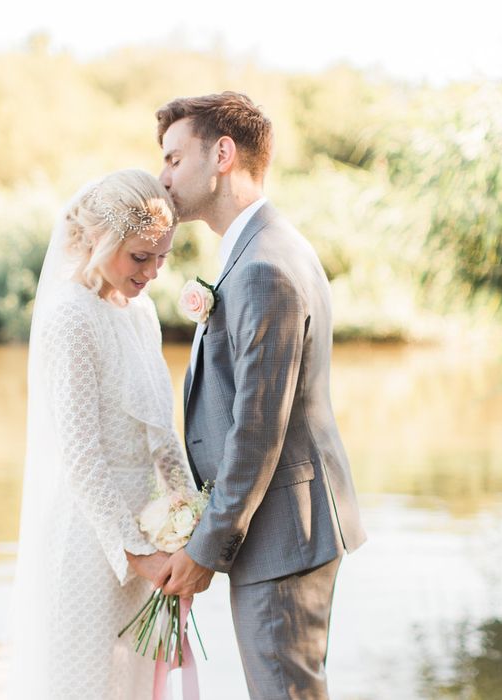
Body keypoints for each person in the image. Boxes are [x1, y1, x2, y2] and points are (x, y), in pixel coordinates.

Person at [153, 92, 367, 699]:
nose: (163, 176)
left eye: (173, 159)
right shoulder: (262, 247)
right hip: (281, 529)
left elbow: (257, 428)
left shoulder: (262, 266)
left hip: (281, 534)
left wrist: (206, 546)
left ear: (222, 153)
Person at [8, 169, 195, 699]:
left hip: (151, 546)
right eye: (140, 257)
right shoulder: (70, 318)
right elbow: (82, 458)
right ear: (97, 240)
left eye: (162, 257)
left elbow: (162, 437)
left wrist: (186, 531)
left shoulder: (140, 314)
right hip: (92, 544)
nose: (154, 272)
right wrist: (138, 553)